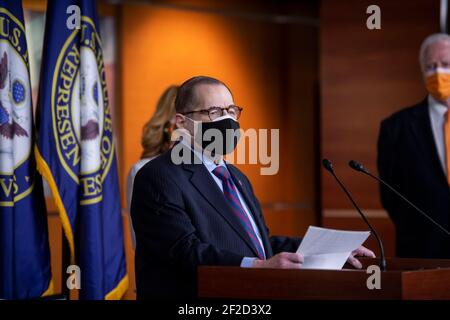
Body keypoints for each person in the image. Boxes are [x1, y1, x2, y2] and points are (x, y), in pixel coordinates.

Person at [131, 76, 374, 299]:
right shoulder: (158, 176)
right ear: (183, 122)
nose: (227, 120)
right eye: (214, 112)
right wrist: (258, 266)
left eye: (231, 111)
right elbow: (183, 251)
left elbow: (259, 245)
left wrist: (329, 251)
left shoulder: (236, 177)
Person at [378, 33, 450, 259]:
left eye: (446, 64)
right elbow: (391, 195)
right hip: (422, 250)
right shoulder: (396, 128)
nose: (438, 73)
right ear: (422, 71)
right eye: (430, 67)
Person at [126, 85, 178, 248]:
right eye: (180, 119)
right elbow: (140, 242)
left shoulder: (210, 168)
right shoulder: (142, 170)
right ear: (166, 125)